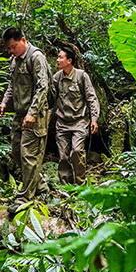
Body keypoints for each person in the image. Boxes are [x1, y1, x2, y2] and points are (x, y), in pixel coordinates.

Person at [0, 27, 51, 205]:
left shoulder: (36, 57)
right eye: (9, 48)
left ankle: (26, 197)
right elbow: (12, 85)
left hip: (35, 115)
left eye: (13, 46)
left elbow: (43, 87)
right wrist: (5, 102)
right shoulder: (15, 60)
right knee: (17, 152)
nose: (11, 51)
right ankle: (41, 187)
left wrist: (33, 113)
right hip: (20, 114)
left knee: (29, 155)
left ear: (23, 40)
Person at [51, 46, 99, 184]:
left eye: (61, 57)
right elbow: (50, 99)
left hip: (79, 121)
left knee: (77, 151)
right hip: (62, 122)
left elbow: (91, 98)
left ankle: (80, 183)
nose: (57, 60)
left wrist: (94, 119)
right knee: (63, 156)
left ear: (69, 60)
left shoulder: (81, 76)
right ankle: (66, 186)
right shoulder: (56, 78)